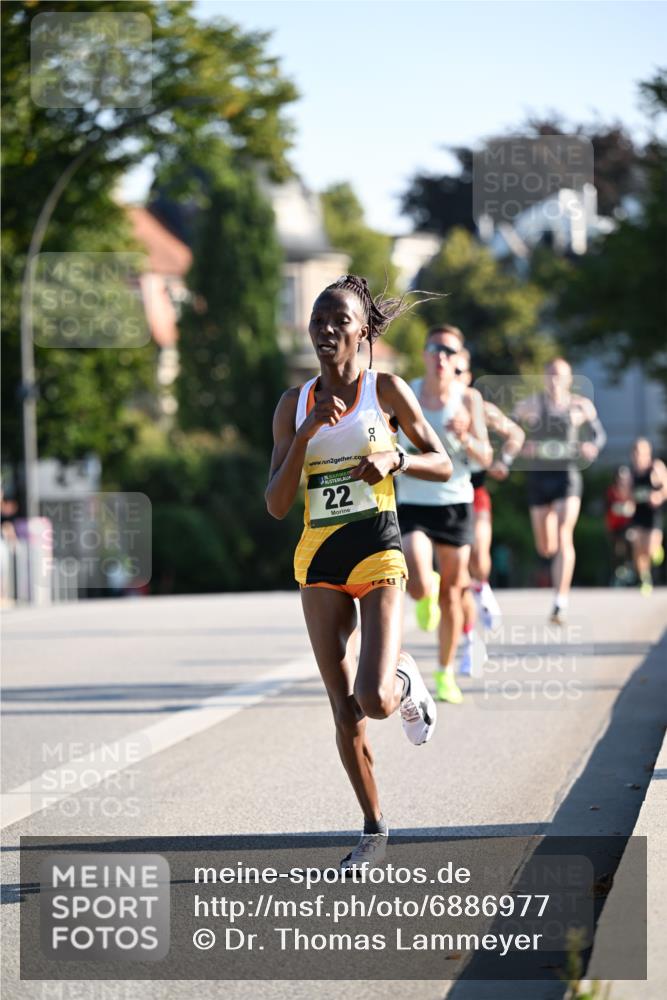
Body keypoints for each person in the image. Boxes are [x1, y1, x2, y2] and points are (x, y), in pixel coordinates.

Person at [265, 275, 452, 869]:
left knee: (372, 698)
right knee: (342, 708)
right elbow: (274, 502)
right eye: (318, 319)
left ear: (363, 331)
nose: (325, 329)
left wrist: (395, 457)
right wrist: (308, 432)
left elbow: (442, 462)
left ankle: (404, 679)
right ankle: (373, 830)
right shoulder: (293, 406)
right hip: (318, 557)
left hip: (377, 546)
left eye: (339, 320)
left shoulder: (387, 390)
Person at [395, 326, 492, 702]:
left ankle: (445, 672)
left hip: (455, 502)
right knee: (417, 580)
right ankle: (424, 590)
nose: (441, 356)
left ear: (458, 361)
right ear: (424, 354)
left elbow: (486, 457)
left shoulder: (469, 400)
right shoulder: (407, 393)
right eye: (434, 348)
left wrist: (467, 436)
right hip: (414, 501)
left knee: (454, 592)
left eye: (449, 351)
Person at [513, 358, 606, 625]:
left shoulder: (580, 405)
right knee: (546, 546)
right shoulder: (530, 405)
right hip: (539, 478)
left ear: (568, 379)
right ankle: (550, 550)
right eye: (551, 374)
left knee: (565, 536)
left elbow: (599, 435)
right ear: (544, 377)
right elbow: (508, 430)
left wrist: (592, 447)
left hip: (567, 476)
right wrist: (521, 445)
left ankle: (559, 602)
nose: (555, 379)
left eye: (560, 375)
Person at [455, 350, 525, 642]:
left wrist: (504, 462)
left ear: (468, 377)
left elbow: (516, 434)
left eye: (460, 372)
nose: (452, 376)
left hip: (476, 492)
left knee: (480, 558)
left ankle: (482, 586)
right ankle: (468, 633)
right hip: (441, 497)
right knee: (455, 571)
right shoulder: (426, 405)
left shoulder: (481, 408)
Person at [628, 438, 667, 595]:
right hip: (638, 514)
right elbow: (629, 495)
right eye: (636, 452)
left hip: (653, 515)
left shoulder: (656, 468)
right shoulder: (631, 473)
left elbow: (665, 488)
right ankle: (644, 579)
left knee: (649, 550)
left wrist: (658, 496)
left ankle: (657, 550)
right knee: (637, 547)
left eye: (642, 452)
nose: (639, 456)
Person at [604, 466, 634, 585]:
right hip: (614, 526)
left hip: (628, 526)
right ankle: (617, 574)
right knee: (616, 551)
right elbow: (610, 508)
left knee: (629, 542)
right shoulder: (611, 491)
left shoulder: (632, 491)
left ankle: (630, 571)